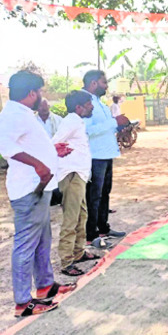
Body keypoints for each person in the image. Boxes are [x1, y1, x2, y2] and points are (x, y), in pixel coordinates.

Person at [0, 70, 77, 317]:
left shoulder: (23, 114)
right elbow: (5, 147)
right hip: (28, 189)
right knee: (25, 245)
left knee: (42, 240)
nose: (41, 96)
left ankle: (44, 286)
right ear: (31, 93)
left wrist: (51, 151)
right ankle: (23, 302)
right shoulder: (12, 115)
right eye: (40, 91)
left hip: (40, 187)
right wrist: (38, 164)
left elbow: (27, 145)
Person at [52, 91, 101, 276]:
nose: (92, 106)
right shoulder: (71, 121)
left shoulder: (76, 121)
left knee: (81, 215)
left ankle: (78, 252)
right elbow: (54, 143)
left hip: (78, 175)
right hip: (71, 176)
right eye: (89, 103)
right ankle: (66, 262)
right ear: (79, 107)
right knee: (71, 219)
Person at [82, 70, 130, 249]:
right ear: (93, 83)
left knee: (104, 193)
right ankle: (91, 235)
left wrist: (118, 128)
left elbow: (104, 128)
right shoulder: (84, 102)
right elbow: (86, 130)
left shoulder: (99, 103)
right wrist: (114, 122)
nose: (106, 86)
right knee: (93, 197)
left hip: (106, 154)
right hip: (95, 157)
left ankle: (103, 228)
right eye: (104, 82)